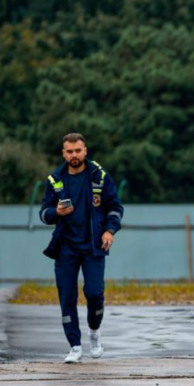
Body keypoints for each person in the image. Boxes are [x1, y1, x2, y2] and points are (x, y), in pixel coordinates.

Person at [39, 132, 124, 363]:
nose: (74, 155)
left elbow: (115, 207)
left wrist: (109, 230)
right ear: (63, 153)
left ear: (85, 151)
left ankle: (94, 333)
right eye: (70, 151)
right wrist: (56, 212)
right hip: (65, 247)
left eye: (78, 150)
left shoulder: (100, 176)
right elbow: (43, 214)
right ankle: (75, 346)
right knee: (67, 297)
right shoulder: (54, 179)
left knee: (95, 293)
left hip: (93, 246)